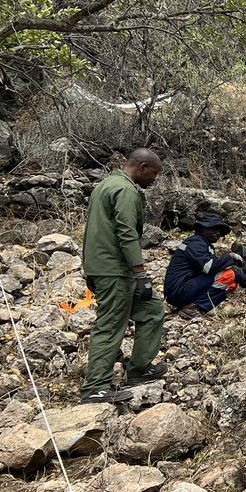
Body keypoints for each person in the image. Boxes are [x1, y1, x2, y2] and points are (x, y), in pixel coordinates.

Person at [79, 148, 166, 403]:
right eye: (153, 173)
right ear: (141, 166)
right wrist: (140, 273)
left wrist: (90, 269)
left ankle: (139, 369)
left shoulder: (105, 185)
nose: (154, 179)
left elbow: (93, 229)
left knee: (151, 310)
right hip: (116, 271)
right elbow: (126, 232)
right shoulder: (126, 190)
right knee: (110, 325)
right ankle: (95, 386)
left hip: (104, 267)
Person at [163, 213, 246, 319]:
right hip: (178, 291)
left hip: (183, 289)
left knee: (232, 283)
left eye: (219, 230)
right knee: (228, 276)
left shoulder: (204, 244)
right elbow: (210, 267)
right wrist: (230, 257)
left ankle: (194, 306)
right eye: (214, 229)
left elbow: (218, 266)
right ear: (202, 228)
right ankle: (193, 307)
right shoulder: (195, 243)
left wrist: (245, 279)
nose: (218, 233)